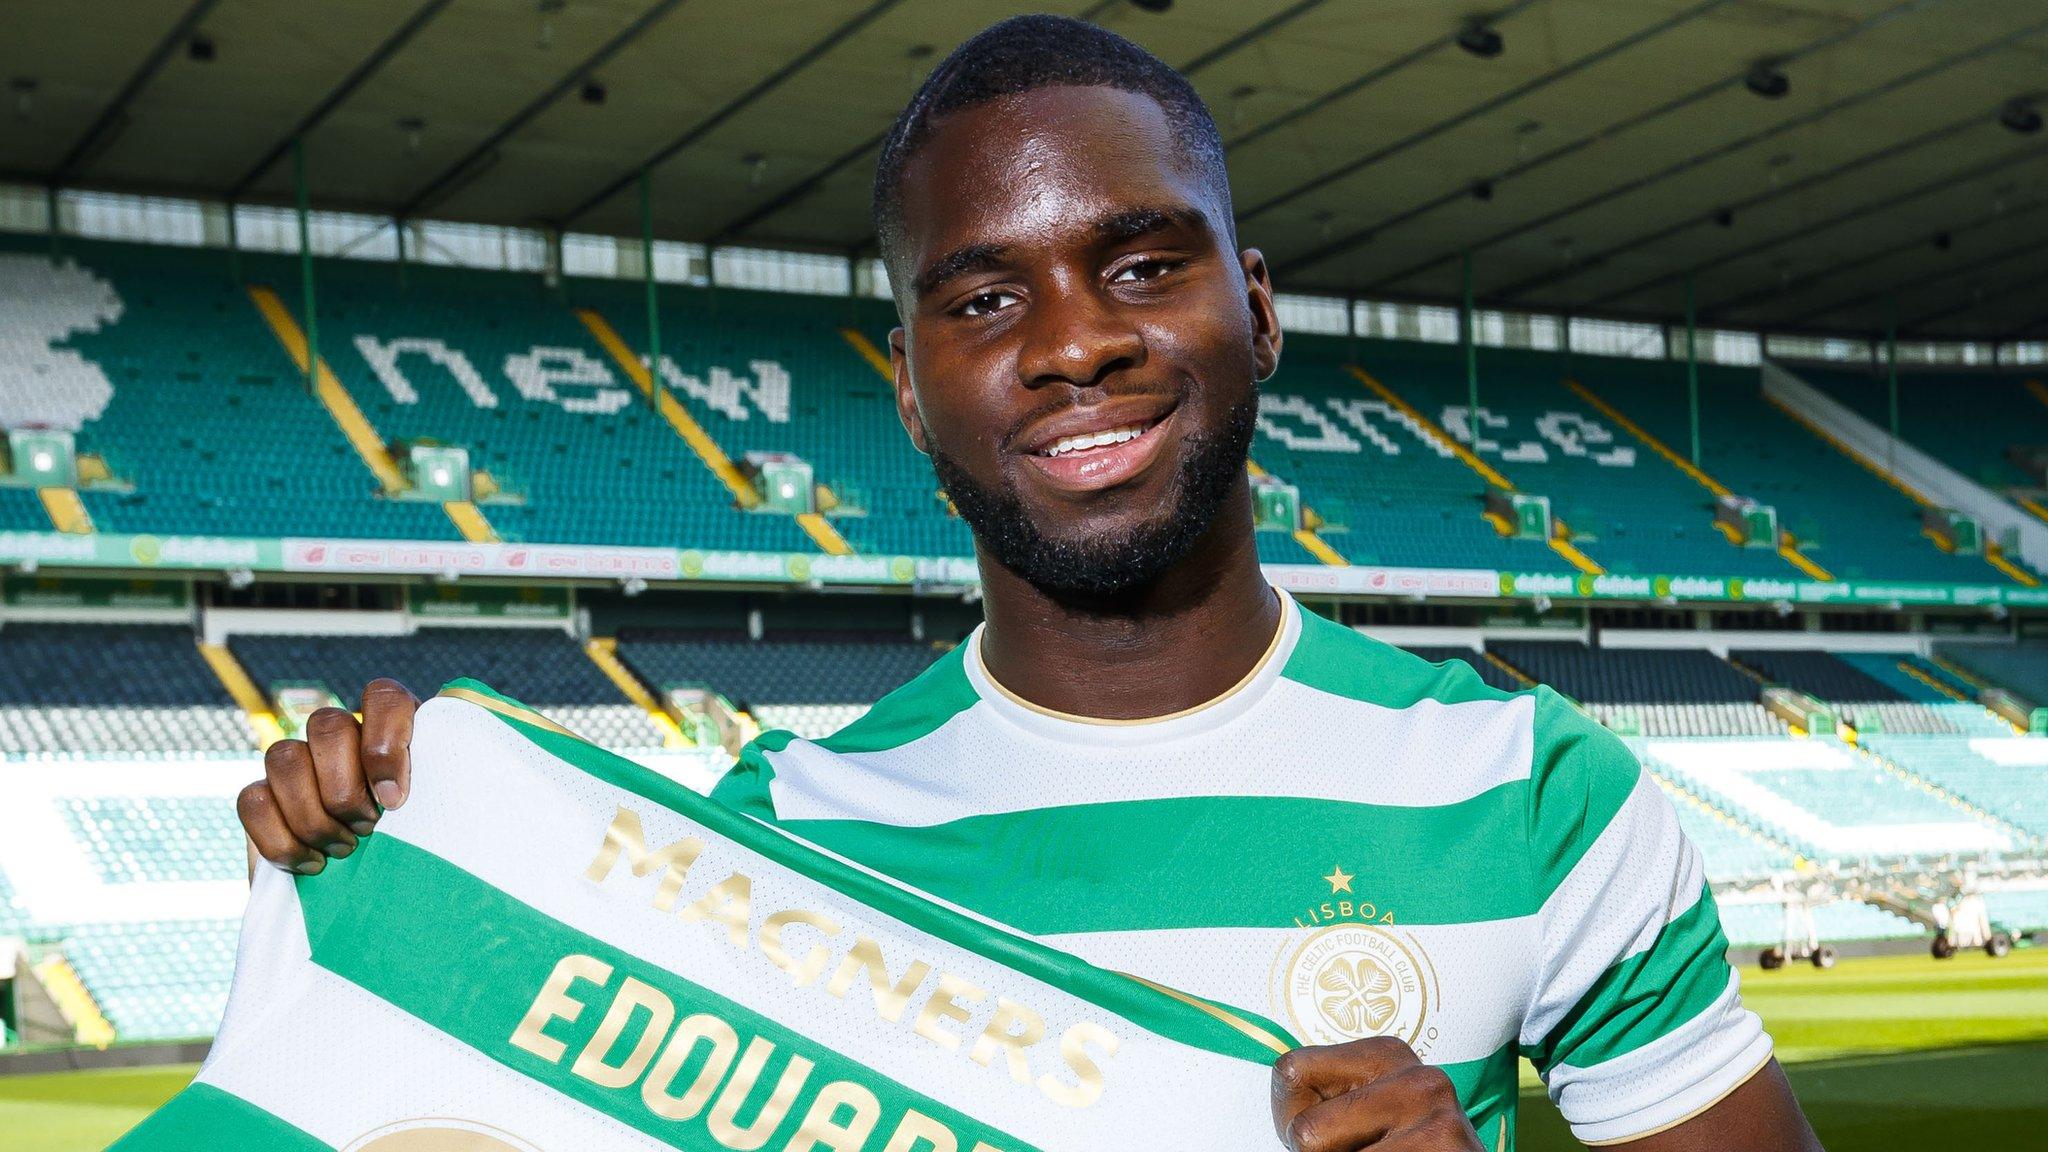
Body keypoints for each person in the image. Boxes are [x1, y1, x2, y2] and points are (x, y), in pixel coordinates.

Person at [239, 15, 1821, 1150]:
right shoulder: (780, 835)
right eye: (986, 296)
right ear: (913, 391)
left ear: (1255, 308)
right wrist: (387, 877)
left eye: (1143, 265)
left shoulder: (1536, 790)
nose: (1075, 341)